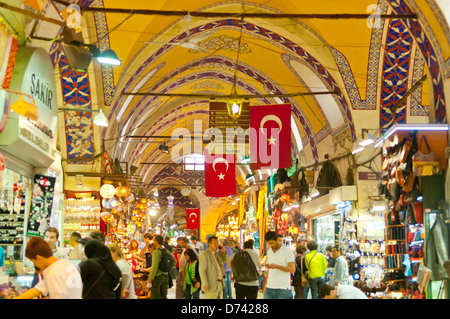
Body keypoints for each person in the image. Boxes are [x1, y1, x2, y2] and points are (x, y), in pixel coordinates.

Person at [14, 237, 82, 299]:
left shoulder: (53, 273)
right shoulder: (65, 263)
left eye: (33, 261)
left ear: (39, 258)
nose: (35, 265)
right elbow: (38, 289)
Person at [263, 231, 295, 299]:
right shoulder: (269, 252)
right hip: (269, 288)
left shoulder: (287, 251)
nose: (271, 245)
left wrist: (277, 266)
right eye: (269, 244)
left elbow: (292, 269)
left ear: (277, 240)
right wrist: (265, 285)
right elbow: (268, 270)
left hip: (283, 288)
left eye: (272, 243)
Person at [148, 235, 176, 299]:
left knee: (155, 295)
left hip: (158, 277)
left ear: (156, 241)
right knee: (163, 295)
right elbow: (174, 261)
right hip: (165, 276)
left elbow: (155, 267)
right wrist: (169, 269)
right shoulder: (166, 250)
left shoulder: (156, 252)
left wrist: (150, 278)